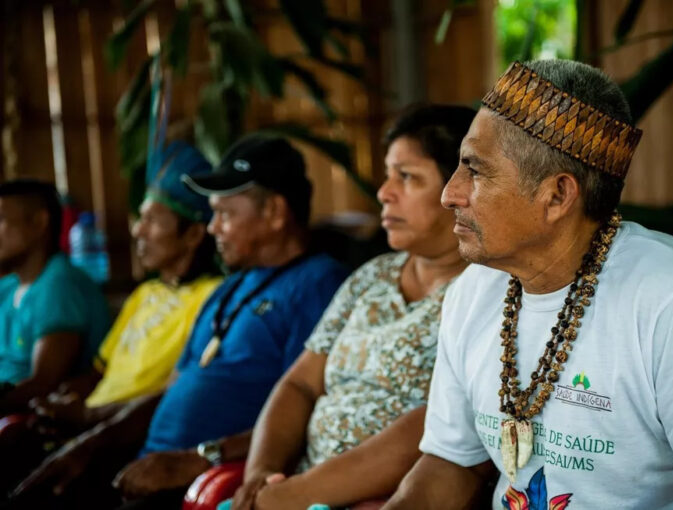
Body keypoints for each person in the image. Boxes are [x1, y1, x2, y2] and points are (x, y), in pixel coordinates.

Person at [384, 60, 673, 510]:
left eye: (475, 170)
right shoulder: (475, 291)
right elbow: (452, 463)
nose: (451, 193)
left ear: (558, 196)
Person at [114, 104, 475, 510]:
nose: (383, 192)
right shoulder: (372, 276)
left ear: (459, 188)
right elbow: (299, 384)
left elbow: (439, 424)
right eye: (388, 174)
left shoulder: (483, 291)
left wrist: (291, 494)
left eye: (406, 177)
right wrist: (259, 473)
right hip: (292, 485)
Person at [10, 136, 349, 510]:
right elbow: (170, 391)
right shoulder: (230, 288)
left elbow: (308, 412)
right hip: (148, 465)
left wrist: (201, 458)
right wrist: (87, 446)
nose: (213, 228)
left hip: (201, 480)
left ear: (274, 212)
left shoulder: (319, 285)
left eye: (226, 214)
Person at [30, 141, 221, 432]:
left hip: (130, 429)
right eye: (141, 218)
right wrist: (67, 395)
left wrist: (87, 416)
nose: (137, 230)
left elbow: (178, 393)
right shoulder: (146, 293)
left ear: (194, 234)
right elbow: (101, 371)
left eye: (152, 220)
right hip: (93, 420)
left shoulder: (213, 297)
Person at [0, 179, 109, 416]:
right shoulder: (9, 288)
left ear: (39, 222)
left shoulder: (60, 285)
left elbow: (43, 384)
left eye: (1, 220)